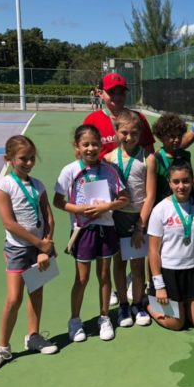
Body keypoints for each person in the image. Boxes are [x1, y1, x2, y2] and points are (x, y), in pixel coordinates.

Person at [0, 135, 58, 373]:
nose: (28, 163)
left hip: (41, 248)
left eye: (32, 158)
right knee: (14, 299)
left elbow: (49, 217)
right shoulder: (4, 186)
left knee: (36, 292)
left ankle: (33, 336)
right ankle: (2, 348)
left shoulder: (38, 185)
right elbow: (9, 223)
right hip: (18, 250)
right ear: (9, 159)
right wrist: (39, 244)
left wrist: (46, 244)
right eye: (23, 158)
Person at [53, 125, 129, 343]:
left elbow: (124, 199)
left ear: (101, 145)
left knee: (104, 276)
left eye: (95, 144)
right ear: (76, 147)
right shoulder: (70, 171)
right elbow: (58, 201)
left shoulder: (110, 170)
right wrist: (78, 209)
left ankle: (104, 317)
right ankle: (75, 320)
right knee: (82, 278)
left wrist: (107, 206)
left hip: (106, 229)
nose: (90, 148)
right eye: (85, 144)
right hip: (83, 231)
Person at [103, 110, 156, 329]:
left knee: (137, 264)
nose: (129, 137)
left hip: (138, 218)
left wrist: (140, 225)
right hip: (116, 218)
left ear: (140, 134)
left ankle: (138, 304)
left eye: (134, 133)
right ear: (116, 131)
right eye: (124, 132)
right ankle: (123, 305)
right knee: (119, 263)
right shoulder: (108, 159)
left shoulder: (148, 158)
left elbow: (150, 195)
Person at [147, 163, 194, 330]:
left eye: (185, 181)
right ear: (169, 183)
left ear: (192, 181)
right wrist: (159, 286)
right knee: (176, 324)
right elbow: (153, 251)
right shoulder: (160, 210)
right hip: (170, 272)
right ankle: (148, 303)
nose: (181, 186)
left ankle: (182, 304)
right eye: (176, 182)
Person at [84, 72, 156, 159]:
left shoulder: (139, 118)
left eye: (121, 92)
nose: (117, 97)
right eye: (111, 92)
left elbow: (149, 150)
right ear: (100, 93)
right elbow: (84, 153)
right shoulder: (92, 120)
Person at [152, 112, 191, 204]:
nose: (176, 140)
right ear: (161, 137)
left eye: (179, 136)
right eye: (172, 136)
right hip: (161, 205)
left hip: (181, 203)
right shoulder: (155, 159)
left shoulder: (186, 155)